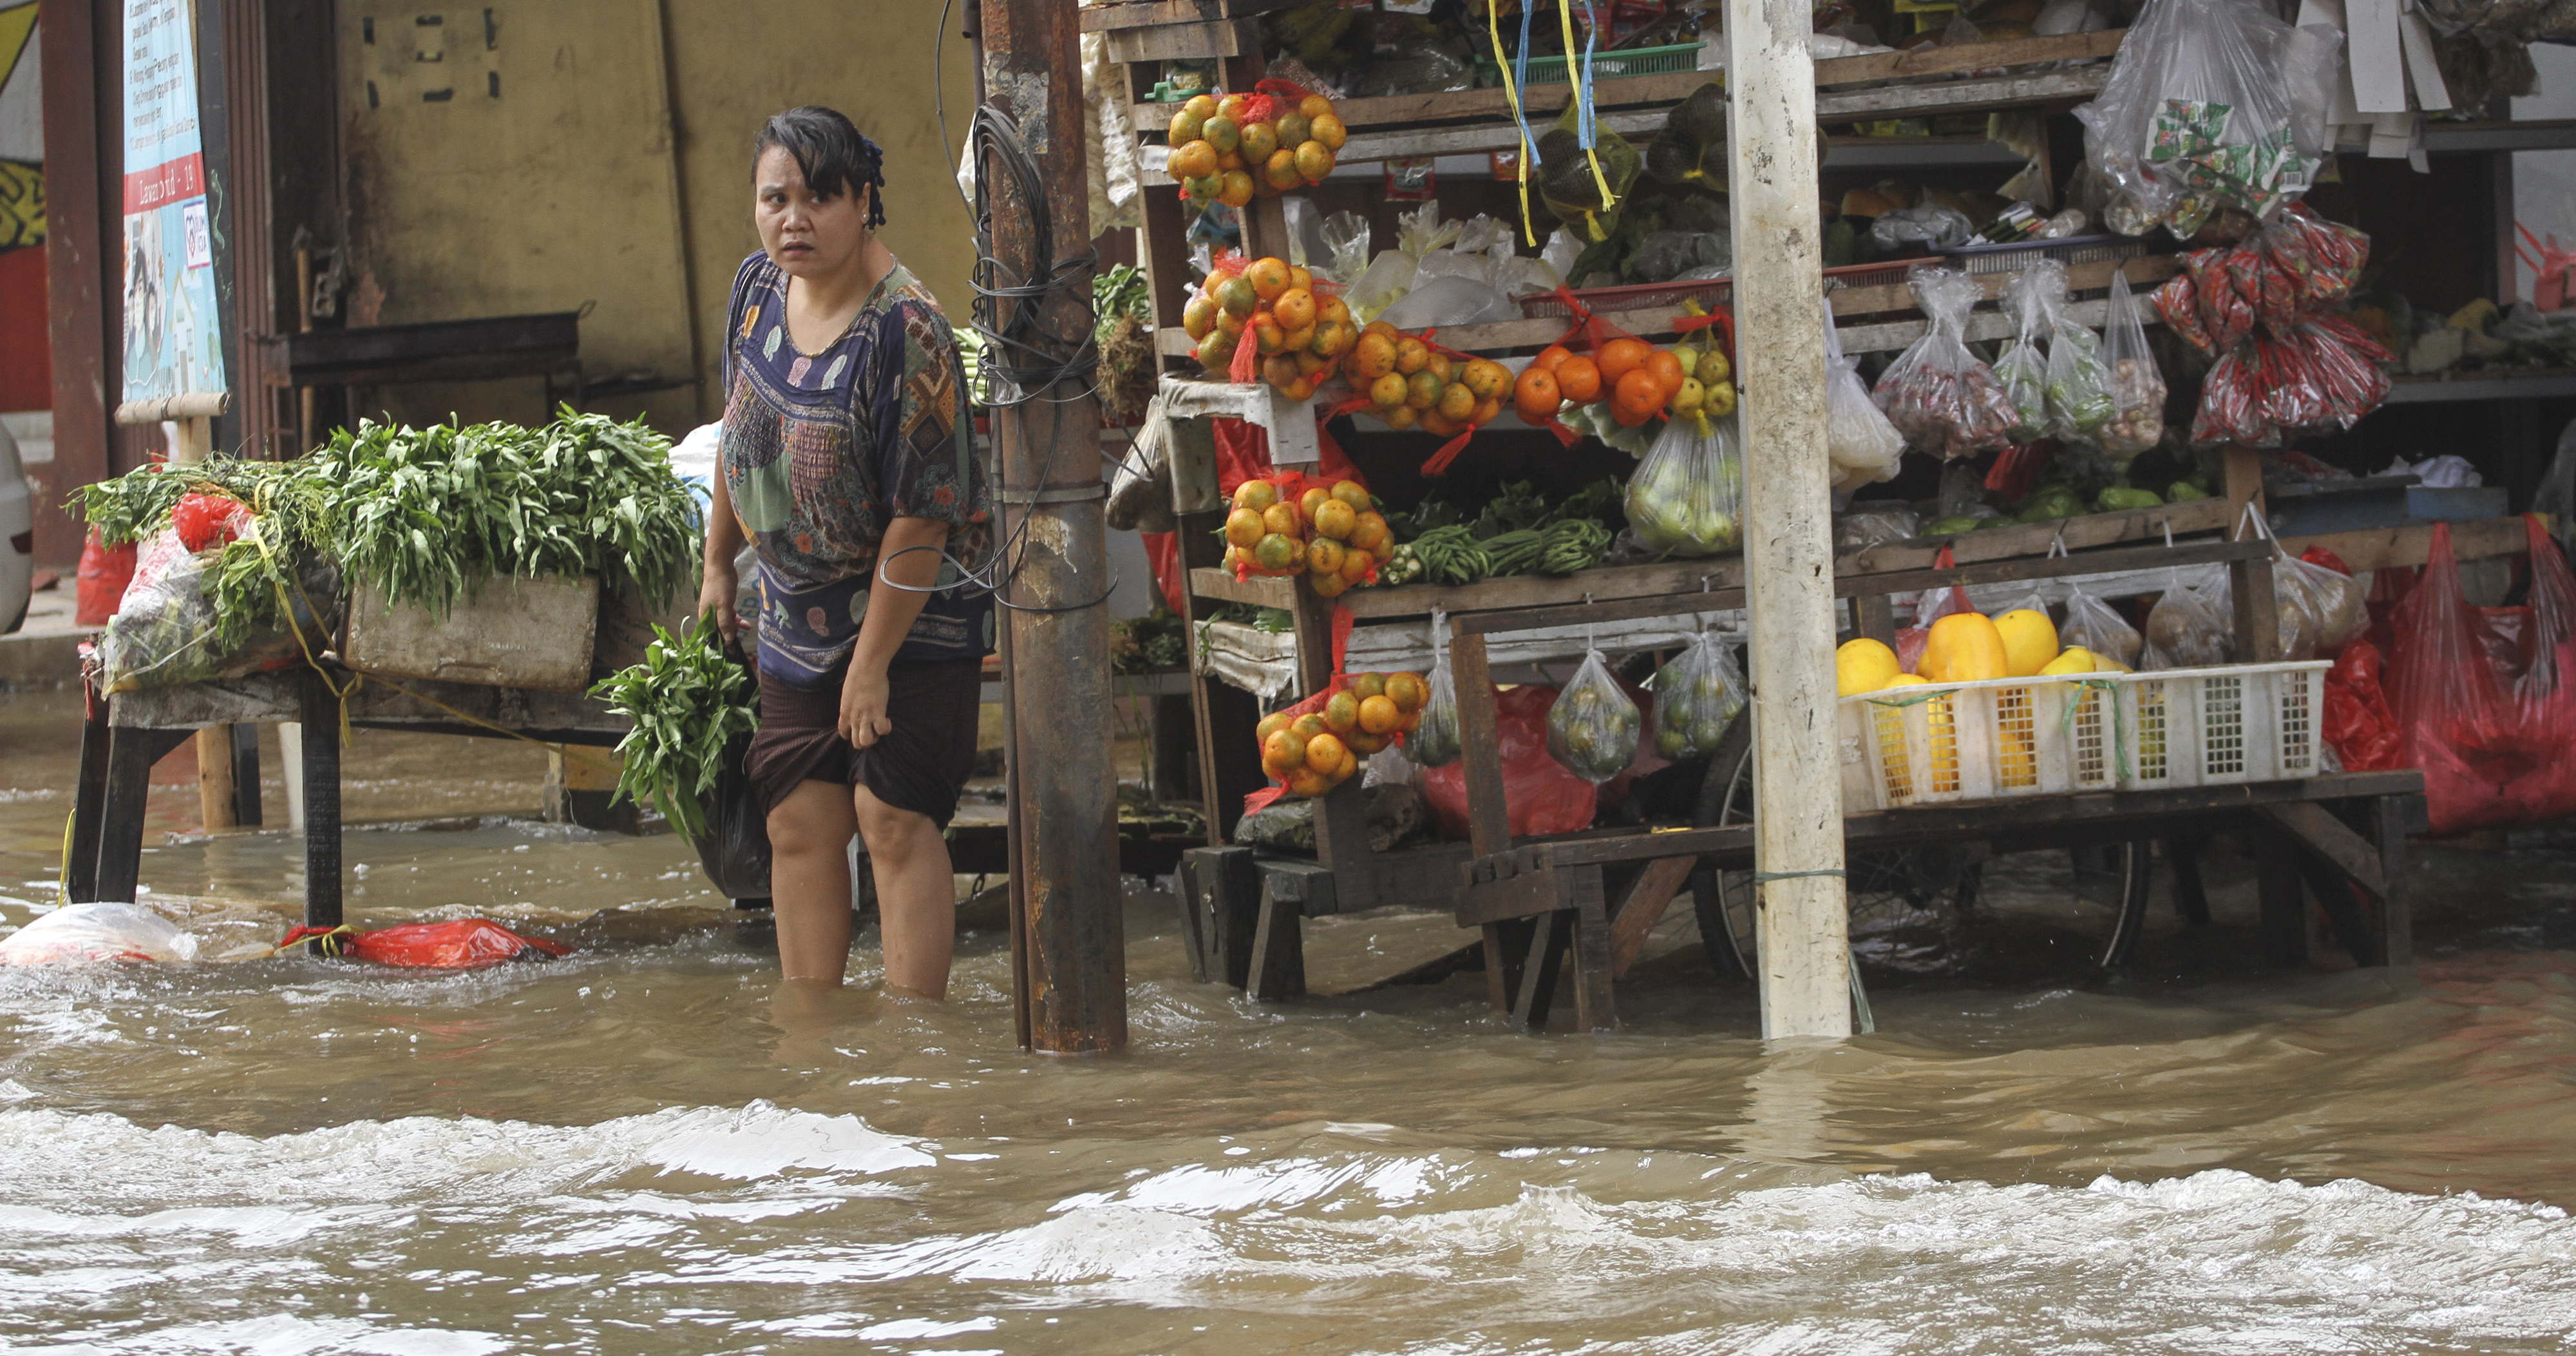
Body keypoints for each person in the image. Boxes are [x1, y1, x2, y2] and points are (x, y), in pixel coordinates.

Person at [699, 106, 992, 999]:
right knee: (797, 817)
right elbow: (738, 434)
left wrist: (871, 669)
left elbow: (922, 520)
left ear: (864, 201)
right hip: (792, 605)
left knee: (892, 815)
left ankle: (917, 1042)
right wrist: (719, 561)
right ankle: (813, 1043)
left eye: (821, 198)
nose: (796, 219)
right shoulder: (757, 289)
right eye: (776, 199)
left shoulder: (909, 334)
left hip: (913, 614)